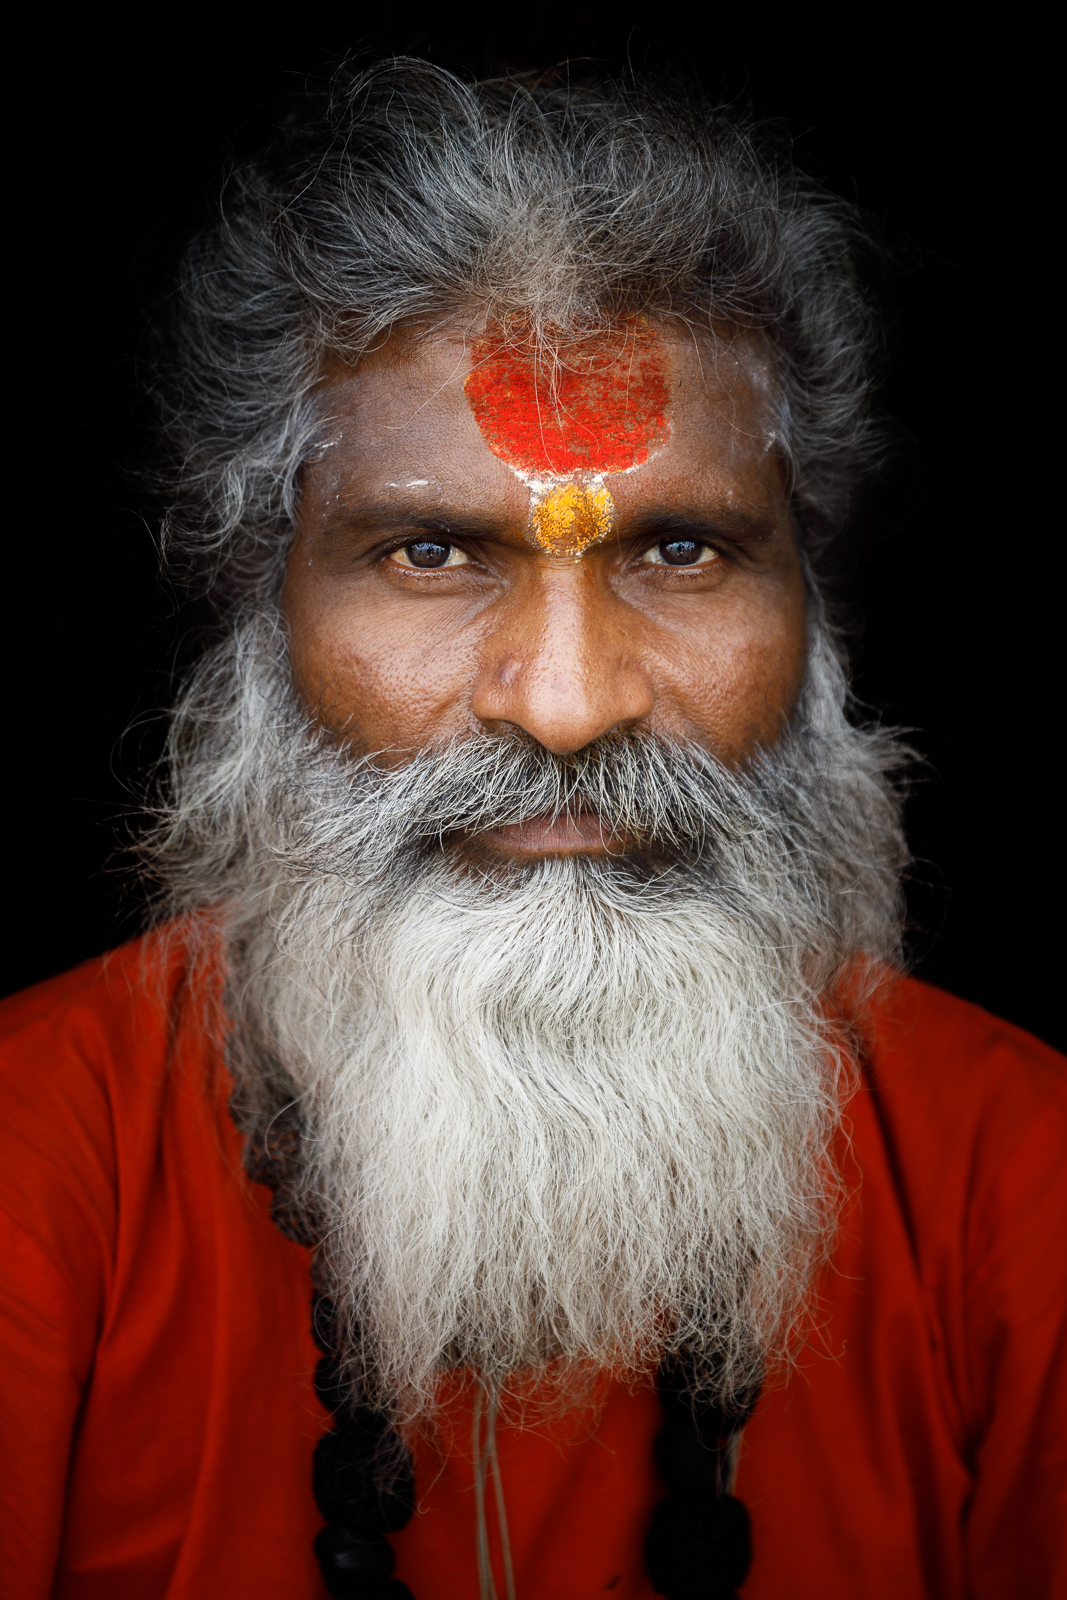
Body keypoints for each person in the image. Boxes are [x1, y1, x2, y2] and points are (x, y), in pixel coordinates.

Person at [1, 59, 1063, 1600]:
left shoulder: (1012, 1178)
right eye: (430, 550)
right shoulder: (39, 1163)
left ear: (812, 609)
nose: (567, 705)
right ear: (267, 607)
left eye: (681, 549)